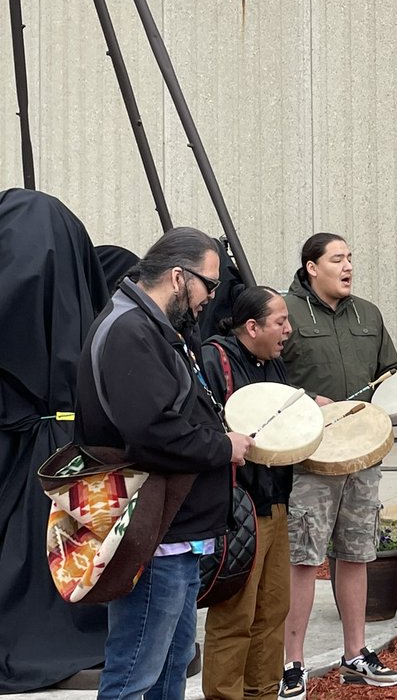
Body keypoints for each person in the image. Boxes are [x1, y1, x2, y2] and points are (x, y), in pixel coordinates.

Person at [75, 227, 254, 700]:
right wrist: (223, 447)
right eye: (209, 285)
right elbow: (152, 433)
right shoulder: (131, 330)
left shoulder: (151, 325)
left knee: (171, 668)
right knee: (135, 676)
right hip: (155, 538)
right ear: (179, 277)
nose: (211, 298)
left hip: (173, 532)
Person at [278, 233, 397, 697]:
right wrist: (309, 402)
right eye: (337, 259)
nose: (348, 266)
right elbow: (266, 377)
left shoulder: (368, 314)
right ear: (312, 267)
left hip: (362, 458)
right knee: (303, 561)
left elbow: (388, 374)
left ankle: (356, 654)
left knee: (356, 555)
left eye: (351, 258)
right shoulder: (286, 312)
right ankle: (293, 664)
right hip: (308, 463)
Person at [200, 286, 294, 699]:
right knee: (234, 615)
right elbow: (206, 431)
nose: (288, 330)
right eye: (280, 322)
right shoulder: (214, 359)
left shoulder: (273, 363)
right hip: (239, 509)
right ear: (251, 326)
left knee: (273, 611)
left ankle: (263, 692)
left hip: (276, 504)